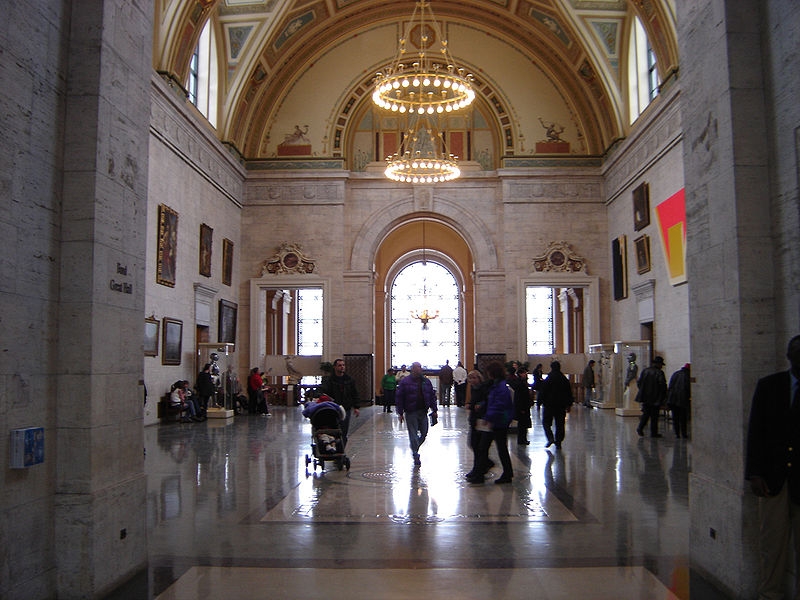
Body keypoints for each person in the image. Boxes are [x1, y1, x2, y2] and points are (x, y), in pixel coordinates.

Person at [746, 335, 800, 600]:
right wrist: (754, 473)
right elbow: (756, 432)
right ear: (789, 356)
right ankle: (770, 594)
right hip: (773, 480)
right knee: (772, 544)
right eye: (797, 353)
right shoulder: (770, 386)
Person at [468, 361, 513, 483]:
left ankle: (504, 474)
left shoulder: (500, 387)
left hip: (498, 422)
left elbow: (498, 405)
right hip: (495, 421)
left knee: (492, 448)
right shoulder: (496, 385)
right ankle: (480, 473)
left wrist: (488, 418)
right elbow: (491, 401)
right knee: (489, 447)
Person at [395, 361, 438, 467]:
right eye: (417, 367)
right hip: (411, 411)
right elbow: (399, 398)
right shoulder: (405, 382)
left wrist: (434, 409)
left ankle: (415, 447)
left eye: (420, 367)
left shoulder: (426, 381)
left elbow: (431, 395)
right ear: (413, 369)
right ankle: (415, 454)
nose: (420, 369)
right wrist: (400, 413)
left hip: (423, 411)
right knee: (413, 434)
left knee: (424, 433)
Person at [318, 358, 361, 447]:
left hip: (346, 409)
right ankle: (333, 448)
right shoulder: (329, 380)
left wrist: (356, 407)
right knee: (333, 430)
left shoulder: (349, 380)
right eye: (340, 365)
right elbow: (323, 390)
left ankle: (341, 451)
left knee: (343, 431)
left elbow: (354, 393)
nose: (342, 367)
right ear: (335, 367)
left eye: (343, 365)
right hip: (333, 409)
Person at [464, 369, 493, 480]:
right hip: (475, 420)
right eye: (470, 378)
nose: (472, 380)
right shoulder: (474, 389)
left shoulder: (484, 388)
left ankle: (479, 470)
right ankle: (480, 467)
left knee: (480, 447)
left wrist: (480, 405)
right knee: (474, 444)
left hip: (483, 420)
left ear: (479, 378)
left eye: (474, 378)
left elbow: (486, 401)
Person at [538, 361, 573, 449]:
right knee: (560, 424)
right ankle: (558, 442)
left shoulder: (548, 379)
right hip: (561, 406)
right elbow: (569, 392)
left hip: (549, 405)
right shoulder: (564, 379)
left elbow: (543, 392)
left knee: (546, 422)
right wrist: (569, 404)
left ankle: (550, 438)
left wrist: (539, 402)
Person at [636, 356, 667, 438]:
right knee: (654, 416)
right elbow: (662, 385)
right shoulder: (659, 373)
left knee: (646, 414)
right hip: (655, 398)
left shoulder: (645, 371)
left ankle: (640, 428)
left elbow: (639, 383)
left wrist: (643, 391)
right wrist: (663, 397)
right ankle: (654, 432)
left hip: (645, 397)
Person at [509, 366, 532, 445]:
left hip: (524, 406)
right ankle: (522, 439)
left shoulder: (521, 383)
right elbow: (519, 397)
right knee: (522, 424)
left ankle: (523, 439)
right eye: (524, 373)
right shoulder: (519, 384)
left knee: (523, 424)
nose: (525, 374)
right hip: (522, 407)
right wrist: (521, 408)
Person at [667, 363, 691, 438]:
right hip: (682, 399)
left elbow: (670, 386)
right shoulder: (687, 375)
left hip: (673, 399)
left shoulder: (675, 374)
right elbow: (688, 388)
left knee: (675, 417)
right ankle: (684, 433)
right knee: (683, 418)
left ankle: (677, 433)